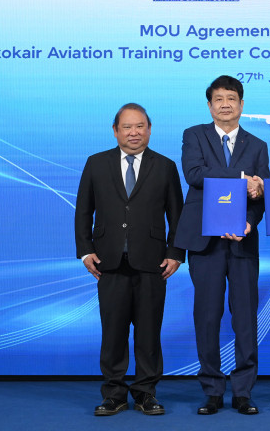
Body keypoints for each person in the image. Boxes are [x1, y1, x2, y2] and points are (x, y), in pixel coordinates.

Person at [75, 103, 184, 416]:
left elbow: (177, 215)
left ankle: (146, 393)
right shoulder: (96, 163)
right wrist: (85, 250)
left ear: (149, 129)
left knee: (149, 333)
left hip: (153, 263)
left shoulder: (165, 166)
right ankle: (114, 394)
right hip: (108, 261)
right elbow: (83, 210)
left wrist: (176, 253)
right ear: (115, 131)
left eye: (140, 126)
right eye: (127, 127)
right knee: (113, 333)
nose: (134, 133)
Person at [174, 75, 269, 416]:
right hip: (205, 243)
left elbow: (260, 196)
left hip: (242, 242)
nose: (225, 104)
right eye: (219, 99)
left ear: (241, 104)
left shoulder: (257, 145)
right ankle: (212, 390)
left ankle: (243, 391)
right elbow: (195, 174)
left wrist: (250, 222)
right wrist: (244, 179)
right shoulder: (194, 135)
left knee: (245, 318)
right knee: (207, 316)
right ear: (210, 105)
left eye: (231, 98)